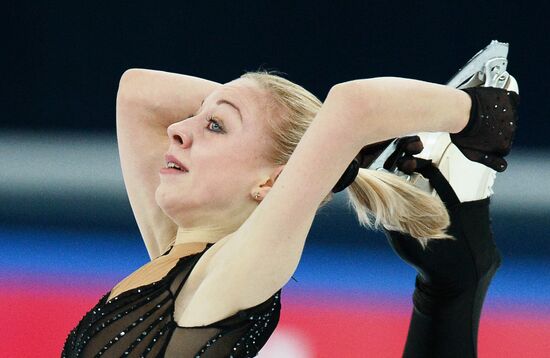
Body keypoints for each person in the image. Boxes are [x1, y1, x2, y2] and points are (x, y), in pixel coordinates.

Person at [61, 68, 519, 357]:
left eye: (214, 126)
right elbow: (138, 91)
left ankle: (457, 277)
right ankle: (456, 279)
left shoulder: (226, 276)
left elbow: (354, 105)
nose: (177, 130)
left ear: (271, 183)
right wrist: (314, 144)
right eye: (196, 118)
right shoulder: (175, 259)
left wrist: (481, 113)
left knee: (453, 286)